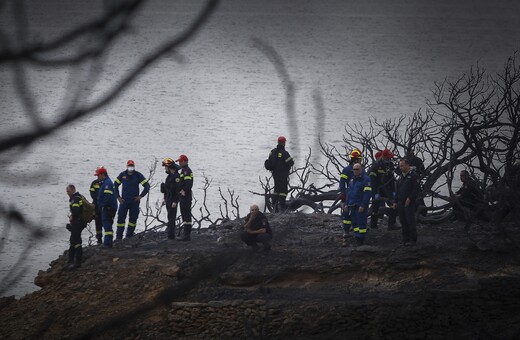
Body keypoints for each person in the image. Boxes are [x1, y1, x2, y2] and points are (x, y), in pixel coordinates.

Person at [114, 160, 150, 239]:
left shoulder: (138, 175)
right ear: (127, 166)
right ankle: (118, 237)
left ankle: (129, 235)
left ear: (134, 166)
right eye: (129, 166)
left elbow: (147, 186)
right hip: (124, 201)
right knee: (120, 219)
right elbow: (115, 185)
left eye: (132, 166)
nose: (131, 167)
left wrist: (140, 196)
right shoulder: (122, 175)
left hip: (134, 202)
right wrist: (118, 197)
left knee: (133, 219)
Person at [338, 149, 363, 247]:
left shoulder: (361, 169)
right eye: (359, 159)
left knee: (357, 213)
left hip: (358, 195)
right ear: (356, 159)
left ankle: (357, 232)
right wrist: (343, 192)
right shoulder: (346, 170)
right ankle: (346, 230)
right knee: (346, 213)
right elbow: (342, 182)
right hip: (349, 194)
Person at [368, 148, 397, 230]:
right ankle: (373, 225)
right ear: (384, 157)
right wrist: (375, 192)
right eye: (389, 157)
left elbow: (392, 179)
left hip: (387, 188)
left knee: (393, 204)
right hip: (378, 188)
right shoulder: (376, 165)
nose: (390, 159)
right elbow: (372, 180)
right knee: (375, 207)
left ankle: (392, 224)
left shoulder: (391, 165)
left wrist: (393, 191)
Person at [393, 158, 420, 246]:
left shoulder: (413, 175)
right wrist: (395, 201)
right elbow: (397, 190)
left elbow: (416, 189)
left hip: (409, 202)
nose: (400, 168)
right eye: (400, 166)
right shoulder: (400, 176)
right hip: (400, 201)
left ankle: (413, 239)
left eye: (402, 166)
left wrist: (410, 198)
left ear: (408, 165)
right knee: (403, 221)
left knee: (410, 221)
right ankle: (405, 238)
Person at [266, 136, 294, 213]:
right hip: (283, 175)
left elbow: (269, 161)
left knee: (276, 190)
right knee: (283, 191)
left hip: (275, 174)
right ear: (284, 143)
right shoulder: (285, 153)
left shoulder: (272, 152)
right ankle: (282, 207)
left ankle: (274, 206)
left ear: (278, 142)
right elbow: (291, 162)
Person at [345, 163, 372, 246]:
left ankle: (361, 239)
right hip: (351, 205)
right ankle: (357, 237)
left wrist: (363, 205)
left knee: (361, 223)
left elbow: (367, 194)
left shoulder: (366, 180)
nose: (355, 171)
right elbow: (349, 193)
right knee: (354, 223)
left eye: (357, 169)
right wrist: (346, 204)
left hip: (360, 205)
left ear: (361, 169)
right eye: (354, 169)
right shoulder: (352, 180)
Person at [65, 184, 87, 269]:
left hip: (78, 222)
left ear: (73, 190)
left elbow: (76, 211)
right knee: (73, 240)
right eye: (67, 191)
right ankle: (71, 260)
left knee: (76, 241)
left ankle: (77, 262)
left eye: (68, 191)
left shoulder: (75, 199)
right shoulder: (78, 197)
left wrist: (72, 217)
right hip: (79, 222)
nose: (67, 193)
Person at [95, 167, 118, 247]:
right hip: (108, 207)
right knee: (107, 226)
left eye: (98, 175)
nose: (97, 177)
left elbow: (107, 197)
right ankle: (108, 242)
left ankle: (107, 244)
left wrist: (102, 206)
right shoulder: (105, 183)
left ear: (102, 175)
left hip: (108, 208)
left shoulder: (107, 184)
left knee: (107, 226)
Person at [161, 157, 180, 240]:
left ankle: (171, 236)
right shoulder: (169, 177)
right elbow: (166, 189)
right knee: (169, 217)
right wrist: (164, 199)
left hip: (173, 200)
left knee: (172, 218)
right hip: (168, 199)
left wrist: (175, 201)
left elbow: (177, 190)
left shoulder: (177, 177)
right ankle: (170, 235)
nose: (165, 168)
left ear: (169, 167)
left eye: (166, 167)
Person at [177, 154, 193, 241]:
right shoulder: (183, 170)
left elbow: (188, 183)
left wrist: (184, 191)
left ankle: (187, 235)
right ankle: (185, 234)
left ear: (185, 161)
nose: (179, 163)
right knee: (184, 214)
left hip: (186, 196)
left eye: (180, 161)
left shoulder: (187, 171)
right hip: (183, 196)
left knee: (186, 214)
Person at [89, 166, 104, 244]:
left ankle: (108, 238)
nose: (97, 176)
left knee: (105, 222)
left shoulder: (106, 182)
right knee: (97, 223)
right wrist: (97, 199)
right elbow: (92, 193)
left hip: (104, 205)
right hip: (96, 205)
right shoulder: (94, 183)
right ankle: (99, 239)